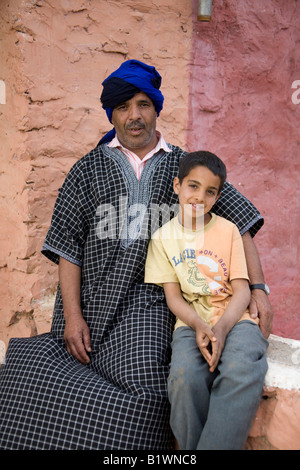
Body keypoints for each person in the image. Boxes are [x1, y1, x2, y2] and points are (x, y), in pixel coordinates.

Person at [0, 60, 272, 450]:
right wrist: (73, 317)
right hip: (91, 303)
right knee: (41, 378)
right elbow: (66, 246)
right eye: (124, 107)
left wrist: (258, 287)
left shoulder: (184, 166)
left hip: (152, 303)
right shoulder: (86, 170)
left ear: (156, 109)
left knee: (148, 385)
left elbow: (240, 218)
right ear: (111, 112)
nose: (134, 116)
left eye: (143, 104)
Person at [145, 151, 269, 449]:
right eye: (193, 186)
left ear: (217, 196)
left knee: (241, 369)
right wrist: (200, 325)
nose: (200, 197)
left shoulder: (228, 231)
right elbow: (174, 298)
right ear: (177, 185)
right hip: (191, 323)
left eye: (210, 191)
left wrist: (223, 328)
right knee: (184, 378)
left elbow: (241, 290)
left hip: (236, 318)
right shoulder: (162, 238)